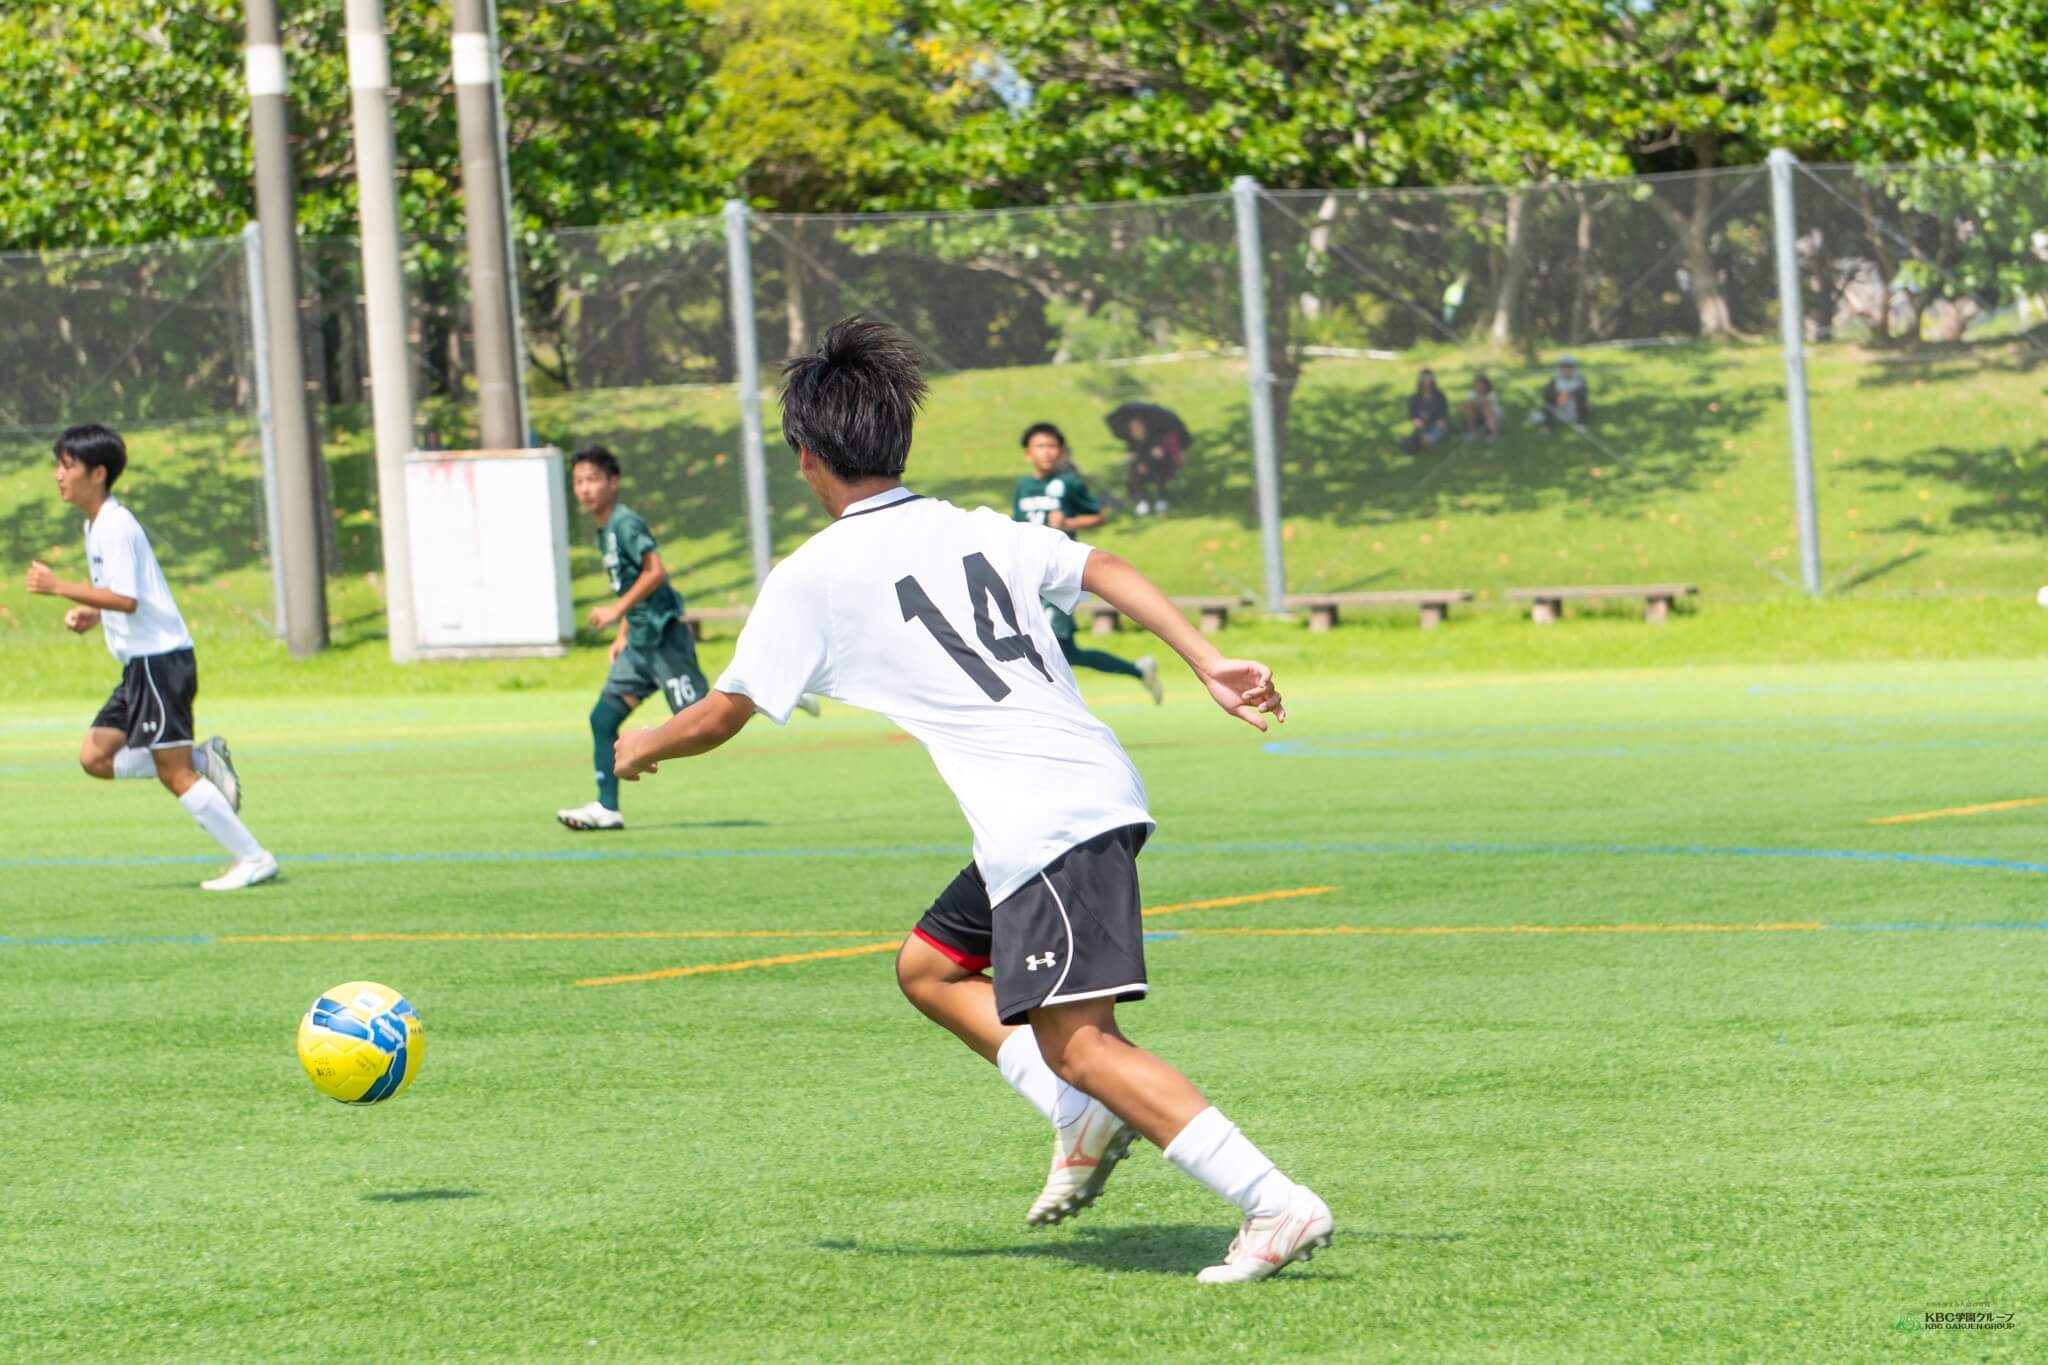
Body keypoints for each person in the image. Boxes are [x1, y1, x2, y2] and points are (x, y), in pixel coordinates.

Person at [615, 318, 1332, 1284]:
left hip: (1048, 819)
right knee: (929, 968)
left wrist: (642, 743)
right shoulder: (976, 526)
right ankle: (1078, 1115)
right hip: (1073, 796)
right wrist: (1207, 660)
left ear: (805, 455)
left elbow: (721, 713)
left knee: (1084, 1045)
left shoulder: (813, 574)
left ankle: (1272, 1201)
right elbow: (1103, 567)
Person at [25, 424, 276, 891]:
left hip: (160, 664)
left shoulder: (116, 526)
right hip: (139, 667)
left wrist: (60, 587)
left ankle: (254, 858)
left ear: (98, 473)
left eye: (67, 465)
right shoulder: (95, 525)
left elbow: (127, 599)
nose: (58, 474)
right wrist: (92, 614)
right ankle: (199, 757)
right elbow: (122, 596)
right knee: (95, 757)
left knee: (173, 774)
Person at [554, 445, 818, 833]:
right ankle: (606, 808)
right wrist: (623, 632)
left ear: (613, 482)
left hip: (663, 638)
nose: (584, 488)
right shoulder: (604, 529)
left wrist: (613, 613)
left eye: (592, 479)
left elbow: (655, 572)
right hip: (639, 644)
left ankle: (776, 691)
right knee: (602, 719)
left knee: (698, 716)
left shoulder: (625, 524)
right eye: (578, 481)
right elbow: (630, 584)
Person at [1012, 422, 1162, 704]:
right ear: (1027, 453)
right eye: (1040, 446)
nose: (1047, 452)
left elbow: (1097, 516)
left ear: (1061, 452)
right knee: (1065, 651)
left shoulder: (1069, 484)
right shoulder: (1023, 486)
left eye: (1052, 446)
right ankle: (1139, 670)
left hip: (1055, 578)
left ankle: (1052, 707)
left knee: (1048, 648)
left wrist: (1069, 523)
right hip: (1027, 576)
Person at [1105, 402, 1189, 517]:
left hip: (1160, 468)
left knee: (1156, 466)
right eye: (1132, 429)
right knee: (1134, 470)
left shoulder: (1155, 438)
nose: (1135, 431)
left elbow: (1160, 454)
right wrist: (1135, 461)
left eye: (1137, 427)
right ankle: (1142, 500)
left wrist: (1145, 460)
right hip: (1141, 471)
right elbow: (1132, 455)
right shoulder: (1132, 443)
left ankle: (1161, 498)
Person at [1401, 369, 1451, 452]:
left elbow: (1444, 415)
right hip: (1423, 427)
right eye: (1424, 380)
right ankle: (1422, 442)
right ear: (1420, 382)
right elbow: (1413, 416)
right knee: (1420, 436)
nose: (1427, 383)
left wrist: (1442, 421)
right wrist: (1417, 422)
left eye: (1429, 380)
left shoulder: (1440, 396)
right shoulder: (1414, 398)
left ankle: (1424, 442)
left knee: (1436, 432)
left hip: (1437, 427)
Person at [1536, 354, 1591, 430]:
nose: (1566, 369)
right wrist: (1559, 396)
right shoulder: (1554, 379)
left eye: (1569, 366)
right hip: (1560, 407)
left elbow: (1583, 393)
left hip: (1575, 408)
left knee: (1581, 397)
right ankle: (1548, 425)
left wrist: (1568, 395)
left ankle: (1580, 423)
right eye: (1563, 366)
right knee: (1547, 400)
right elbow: (1548, 395)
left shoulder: (1579, 378)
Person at [1462, 372, 1503, 438]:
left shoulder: (1491, 394)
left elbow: (1486, 404)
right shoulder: (1471, 393)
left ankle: (1492, 432)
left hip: (1493, 416)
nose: (1479, 386)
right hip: (1479, 415)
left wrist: (1475, 404)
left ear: (1486, 385)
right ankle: (1471, 431)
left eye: (1482, 384)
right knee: (1469, 407)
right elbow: (1467, 404)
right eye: (1477, 384)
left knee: (1486, 408)